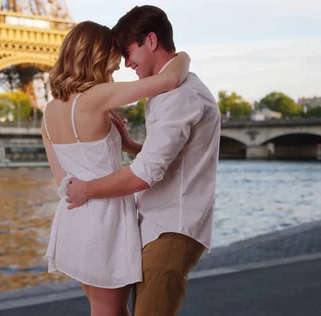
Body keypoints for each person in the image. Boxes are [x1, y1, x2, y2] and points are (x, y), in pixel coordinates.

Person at [65, 5, 221, 316]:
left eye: (128, 51)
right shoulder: (175, 89)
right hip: (162, 226)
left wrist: (85, 190)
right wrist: (134, 146)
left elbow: (144, 175)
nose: (125, 63)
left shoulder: (180, 96)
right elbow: (174, 158)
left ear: (151, 41)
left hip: (171, 230)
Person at [42, 20, 191, 316]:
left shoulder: (49, 111)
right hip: (105, 221)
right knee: (108, 310)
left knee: (105, 308)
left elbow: (64, 183)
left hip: (73, 220)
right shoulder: (98, 95)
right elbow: (171, 80)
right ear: (99, 55)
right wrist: (183, 56)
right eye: (113, 57)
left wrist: (125, 145)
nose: (118, 66)